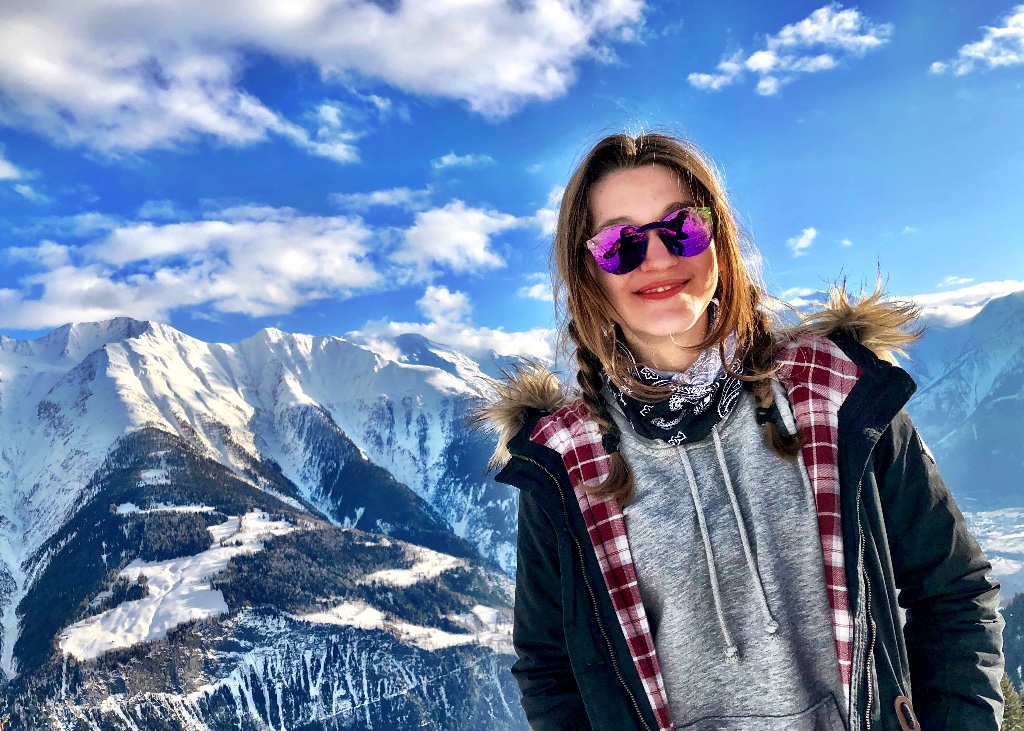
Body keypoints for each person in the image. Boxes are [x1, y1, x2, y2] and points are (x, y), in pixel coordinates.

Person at [479, 132, 1005, 731]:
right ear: (588, 272)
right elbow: (550, 668)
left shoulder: (838, 395)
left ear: (720, 240)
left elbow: (954, 593)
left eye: (682, 227)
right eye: (621, 243)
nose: (658, 257)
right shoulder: (566, 462)